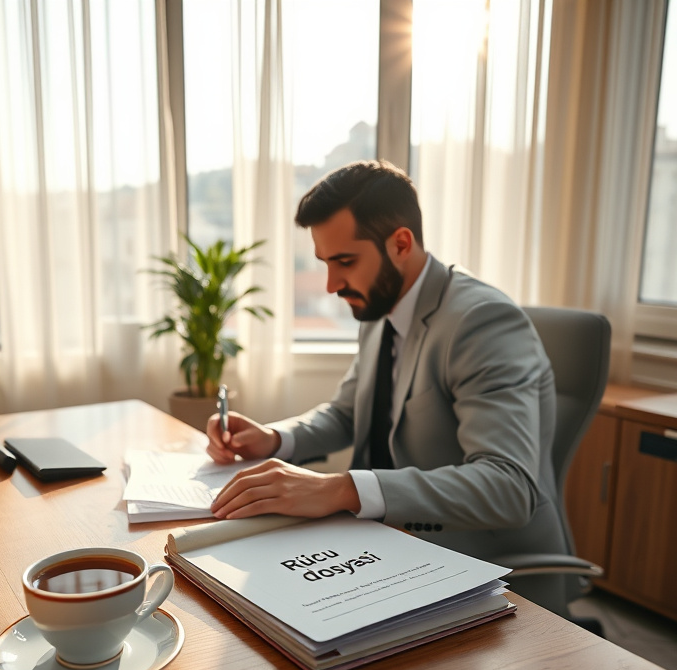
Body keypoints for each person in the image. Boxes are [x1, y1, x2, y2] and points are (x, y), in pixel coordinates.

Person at [206, 159, 570, 614]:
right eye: (324, 263)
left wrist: (343, 489)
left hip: (483, 565)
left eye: (345, 262)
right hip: (389, 545)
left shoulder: (481, 321)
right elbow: (347, 413)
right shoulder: (381, 307)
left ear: (401, 243)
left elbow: (508, 486)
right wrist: (276, 438)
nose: (332, 284)